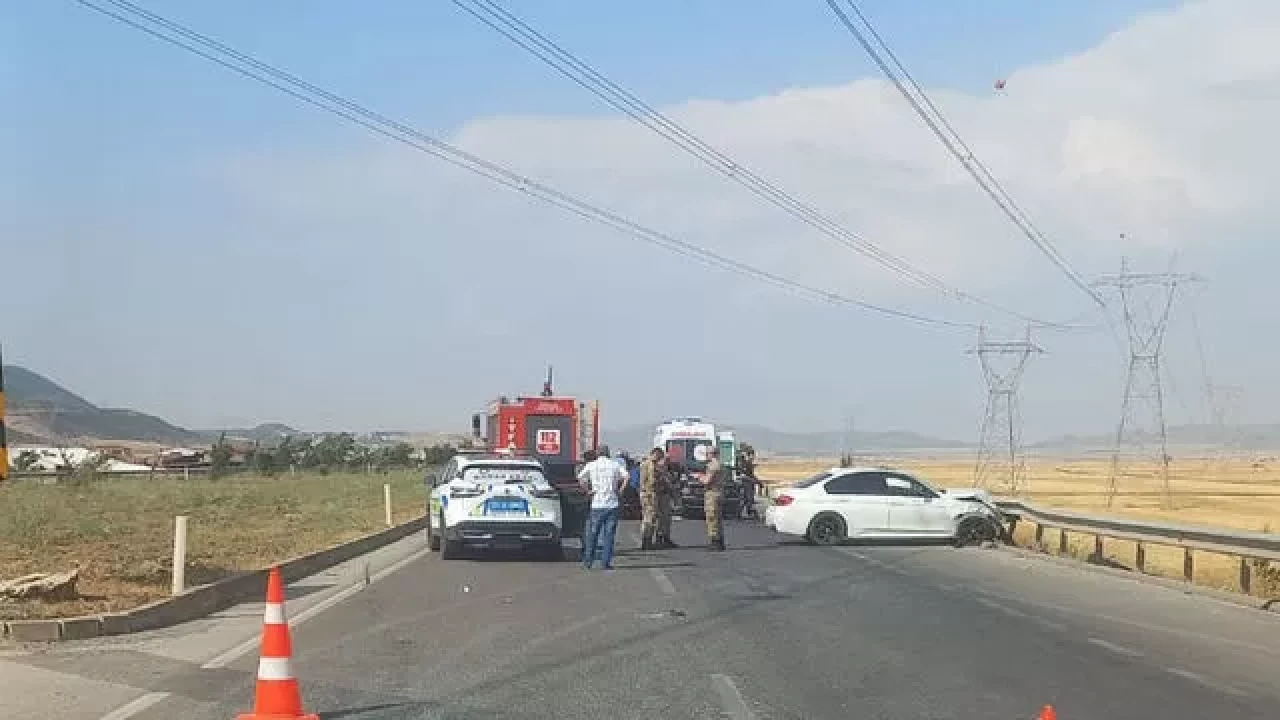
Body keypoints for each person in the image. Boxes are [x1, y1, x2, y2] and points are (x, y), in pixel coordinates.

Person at [577, 444, 627, 570]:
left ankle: (588, 561)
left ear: (597, 453)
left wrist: (588, 490)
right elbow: (627, 476)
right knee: (609, 535)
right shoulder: (615, 465)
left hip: (597, 504)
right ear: (608, 453)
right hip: (612, 503)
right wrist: (620, 490)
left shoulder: (591, 465)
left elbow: (580, 477)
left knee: (593, 534)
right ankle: (605, 563)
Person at [702, 446, 727, 551]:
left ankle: (715, 541)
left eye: (708, 453)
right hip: (719, 493)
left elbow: (707, 481)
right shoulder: (721, 465)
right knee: (718, 518)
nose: (706, 455)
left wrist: (699, 477)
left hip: (712, 494)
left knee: (712, 518)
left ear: (712, 454)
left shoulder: (713, 466)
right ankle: (720, 541)